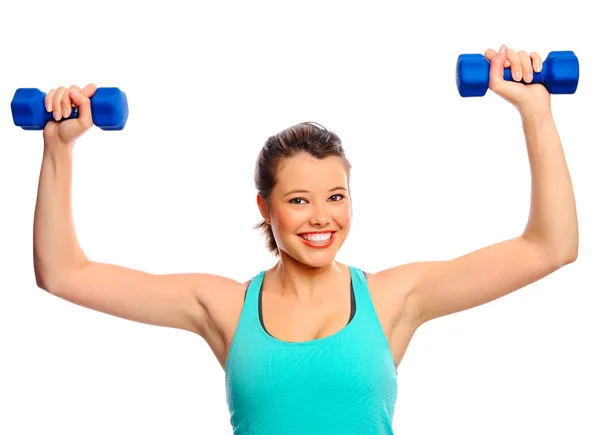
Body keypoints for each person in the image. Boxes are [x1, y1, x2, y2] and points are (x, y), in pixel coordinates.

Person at [34, 44, 578, 434]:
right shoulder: (224, 306)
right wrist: (58, 149)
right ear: (264, 208)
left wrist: (536, 112)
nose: (321, 217)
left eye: (336, 196)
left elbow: (550, 247)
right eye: (298, 200)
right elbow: (63, 273)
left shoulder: (393, 298)